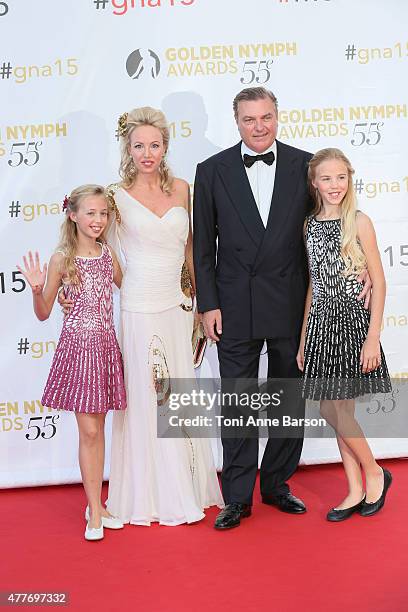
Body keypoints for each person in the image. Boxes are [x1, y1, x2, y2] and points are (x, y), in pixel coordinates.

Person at [193, 87, 372, 530]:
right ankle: (237, 497)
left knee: (286, 400)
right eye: (250, 119)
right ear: (235, 121)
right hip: (233, 304)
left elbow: (333, 224)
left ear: (278, 117)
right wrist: (208, 304)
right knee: (237, 400)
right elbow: (202, 248)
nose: (259, 126)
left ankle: (276, 484)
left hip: (294, 302)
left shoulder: (305, 165)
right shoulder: (210, 170)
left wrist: (363, 266)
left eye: (266, 117)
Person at [103, 107, 223, 525]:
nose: (147, 153)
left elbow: (191, 249)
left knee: (179, 395)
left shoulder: (182, 189)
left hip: (178, 304)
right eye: (139, 145)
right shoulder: (113, 196)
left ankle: (184, 485)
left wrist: (199, 302)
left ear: (166, 146)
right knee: (145, 396)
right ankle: (147, 492)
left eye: (154, 145)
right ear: (128, 148)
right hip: (137, 303)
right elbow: (105, 254)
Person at [18, 185, 126, 541]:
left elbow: (129, 289)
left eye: (103, 214)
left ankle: (99, 502)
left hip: (106, 348)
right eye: (91, 213)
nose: (98, 220)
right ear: (72, 215)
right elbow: (44, 311)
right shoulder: (62, 259)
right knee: (89, 430)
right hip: (78, 350)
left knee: (100, 428)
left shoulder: (108, 254)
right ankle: (94, 509)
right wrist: (37, 290)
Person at [297, 148, 392, 521]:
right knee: (333, 407)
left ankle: (372, 472)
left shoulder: (360, 221)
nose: (335, 185)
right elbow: (313, 285)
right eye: (326, 178)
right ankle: (355, 488)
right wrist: (305, 337)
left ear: (349, 178)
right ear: (314, 183)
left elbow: (380, 283)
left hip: (353, 323)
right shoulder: (309, 225)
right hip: (321, 324)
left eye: (341, 177)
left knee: (338, 407)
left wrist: (373, 337)